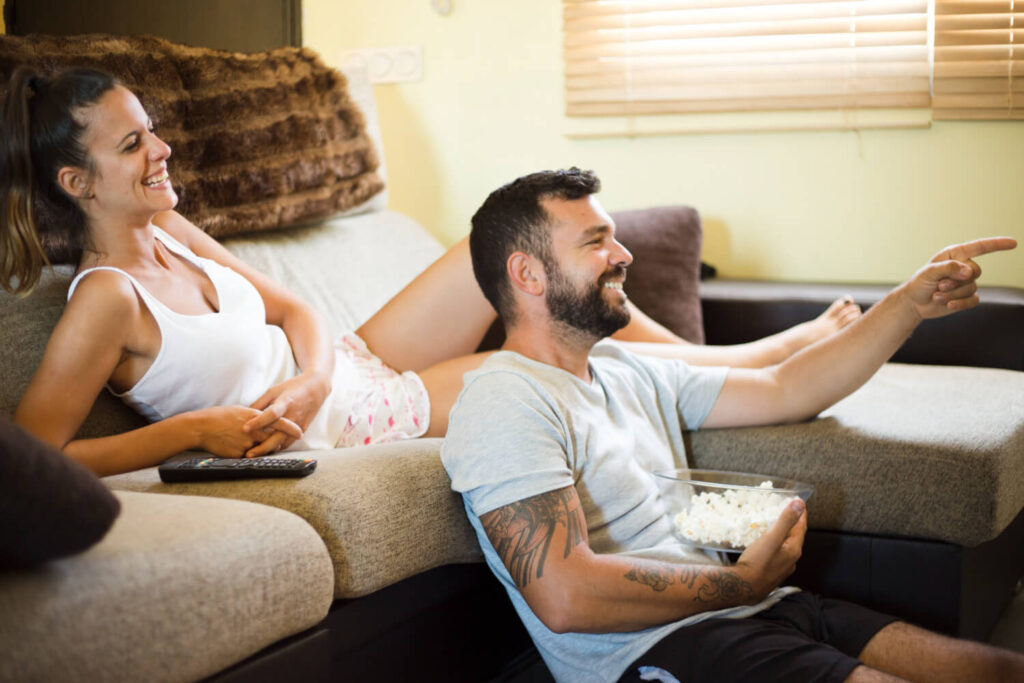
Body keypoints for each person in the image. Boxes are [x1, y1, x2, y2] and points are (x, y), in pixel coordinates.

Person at [1, 66, 855, 478]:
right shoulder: (105, 301)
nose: (162, 148)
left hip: (341, 369)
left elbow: (296, 309)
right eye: (133, 144)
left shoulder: (171, 226)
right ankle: (767, 369)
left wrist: (311, 374)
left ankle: (754, 351)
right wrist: (196, 431)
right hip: (346, 425)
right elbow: (35, 457)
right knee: (538, 348)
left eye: (151, 129)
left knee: (510, 241)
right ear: (78, 184)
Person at [441, 168, 1022, 682]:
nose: (623, 254)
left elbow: (788, 388)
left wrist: (909, 304)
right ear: (528, 274)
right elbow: (565, 596)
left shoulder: (625, 369)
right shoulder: (506, 400)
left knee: (997, 669)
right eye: (596, 242)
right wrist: (743, 583)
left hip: (762, 605)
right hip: (661, 646)